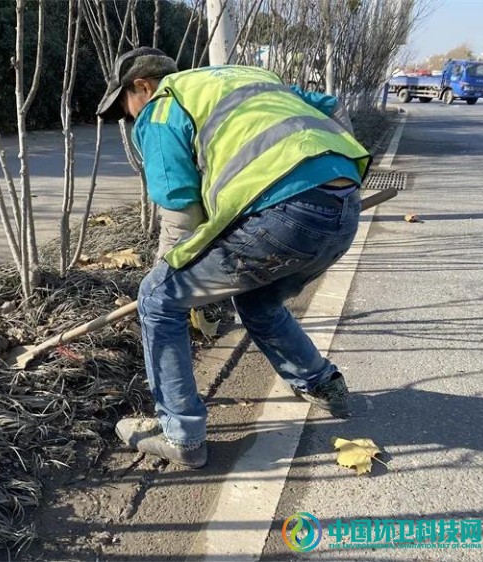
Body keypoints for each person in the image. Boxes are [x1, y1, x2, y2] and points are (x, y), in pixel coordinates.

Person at [96, 47, 371, 469]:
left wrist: (175, 281)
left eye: (125, 108)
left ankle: (181, 435)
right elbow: (329, 106)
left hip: (284, 215)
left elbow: (179, 208)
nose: (130, 117)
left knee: (156, 297)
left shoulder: (164, 105)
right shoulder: (243, 78)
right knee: (258, 300)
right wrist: (329, 184)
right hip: (343, 207)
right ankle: (323, 386)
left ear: (141, 86)